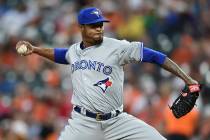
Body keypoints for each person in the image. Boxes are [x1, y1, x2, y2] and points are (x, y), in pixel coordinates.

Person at [16, 7, 199, 140]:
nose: (99, 28)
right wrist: (35, 50)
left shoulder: (117, 47)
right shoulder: (74, 51)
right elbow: (61, 55)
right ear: (81, 28)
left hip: (117, 121)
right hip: (83, 124)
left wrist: (187, 78)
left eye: (100, 24)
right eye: (93, 25)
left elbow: (155, 56)